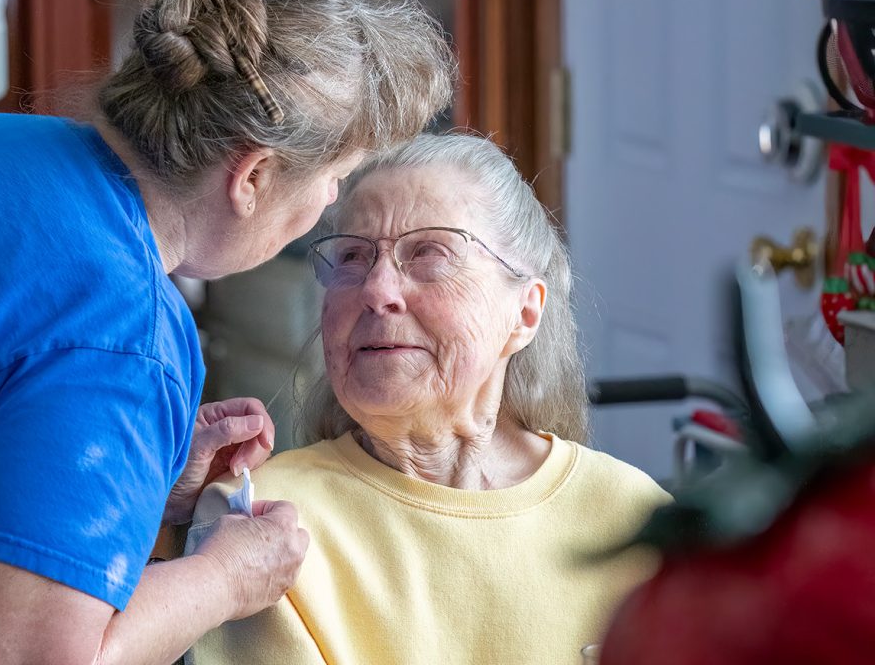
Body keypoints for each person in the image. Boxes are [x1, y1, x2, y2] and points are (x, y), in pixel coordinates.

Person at [0, 0, 454, 662]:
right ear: (252, 177)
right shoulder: (123, 335)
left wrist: (134, 477)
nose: (329, 199)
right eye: (334, 176)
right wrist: (228, 577)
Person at [187, 133, 671, 664]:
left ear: (525, 313)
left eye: (429, 253)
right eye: (353, 257)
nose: (376, 290)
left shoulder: (635, 516)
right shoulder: (263, 526)